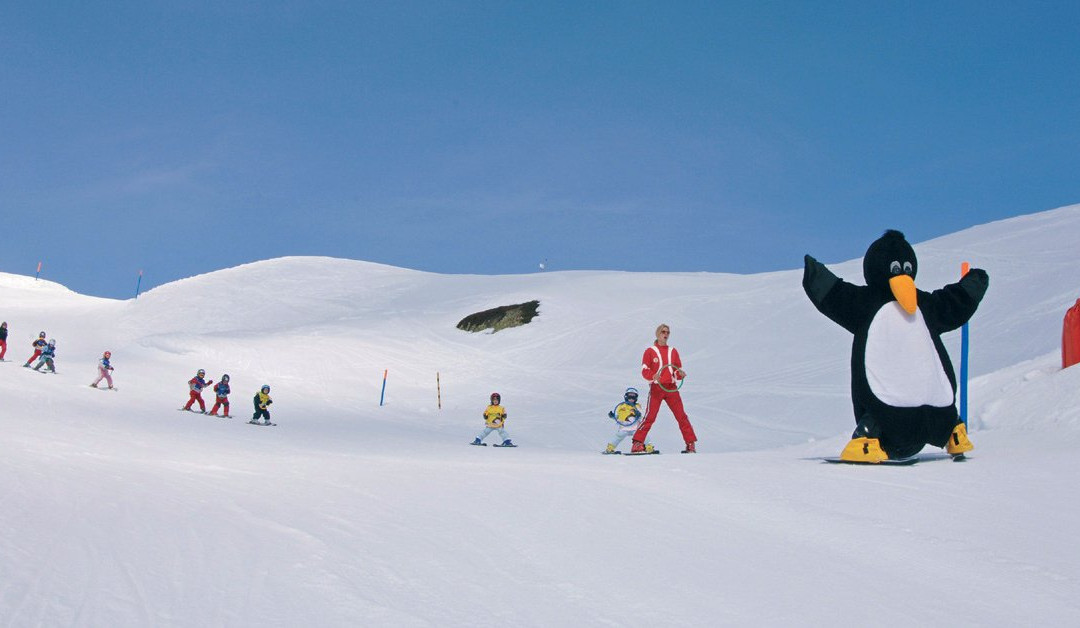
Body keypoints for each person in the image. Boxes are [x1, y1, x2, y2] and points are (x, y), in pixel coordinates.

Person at [632, 324, 698, 454]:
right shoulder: (650, 351)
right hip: (657, 387)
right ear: (657, 333)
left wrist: (680, 374)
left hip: (671, 388)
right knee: (650, 416)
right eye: (663, 332)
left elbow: (676, 371)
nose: (665, 334)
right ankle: (637, 443)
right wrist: (653, 376)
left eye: (668, 332)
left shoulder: (673, 351)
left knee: (681, 416)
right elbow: (644, 370)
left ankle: (690, 443)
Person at [605, 387, 654, 454]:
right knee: (618, 437)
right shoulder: (621, 406)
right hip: (624, 428)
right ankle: (610, 448)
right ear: (626, 396)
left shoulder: (637, 406)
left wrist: (638, 415)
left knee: (643, 435)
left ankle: (649, 447)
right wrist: (613, 416)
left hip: (635, 428)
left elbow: (642, 417)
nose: (631, 398)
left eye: (633, 396)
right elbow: (618, 418)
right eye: (630, 396)